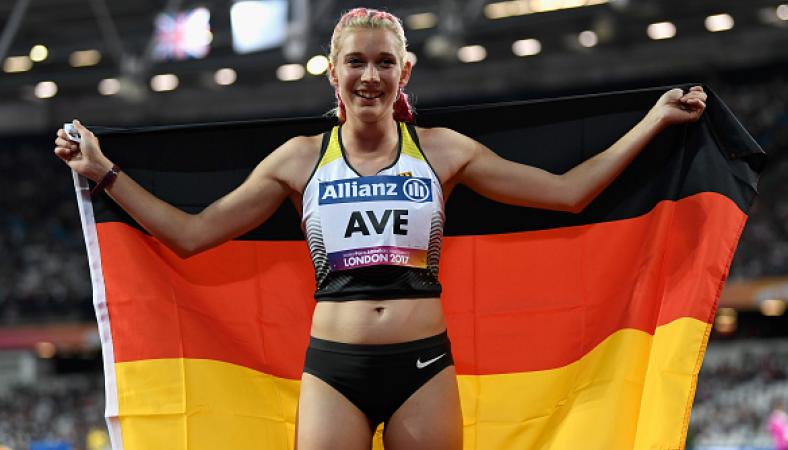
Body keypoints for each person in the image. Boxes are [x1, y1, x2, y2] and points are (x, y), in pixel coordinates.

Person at [54, 7, 707, 450]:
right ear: (333, 71)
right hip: (333, 366)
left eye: (384, 63)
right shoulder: (298, 159)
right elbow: (192, 235)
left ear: (405, 73)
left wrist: (653, 120)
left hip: (422, 364)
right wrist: (103, 171)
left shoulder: (445, 151)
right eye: (357, 63)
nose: (370, 76)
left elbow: (568, 195)